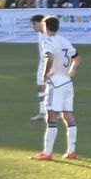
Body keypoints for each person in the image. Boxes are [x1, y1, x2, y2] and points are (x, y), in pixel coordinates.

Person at [34, 14, 80, 161]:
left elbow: (50, 57)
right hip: (67, 82)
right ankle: (71, 151)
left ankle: (47, 153)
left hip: (55, 83)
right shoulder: (65, 41)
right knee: (68, 116)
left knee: (51, 117)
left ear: (46, 27)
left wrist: (46, 74)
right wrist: (69, 75)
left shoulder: (47, 40)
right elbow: (78, 60)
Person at [30, 13, 48, 121]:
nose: (33, 26)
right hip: (43, 63)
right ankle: (42, 112)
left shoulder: (49, 34)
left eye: (34, 24)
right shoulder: (40, 34)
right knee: (41, 87)